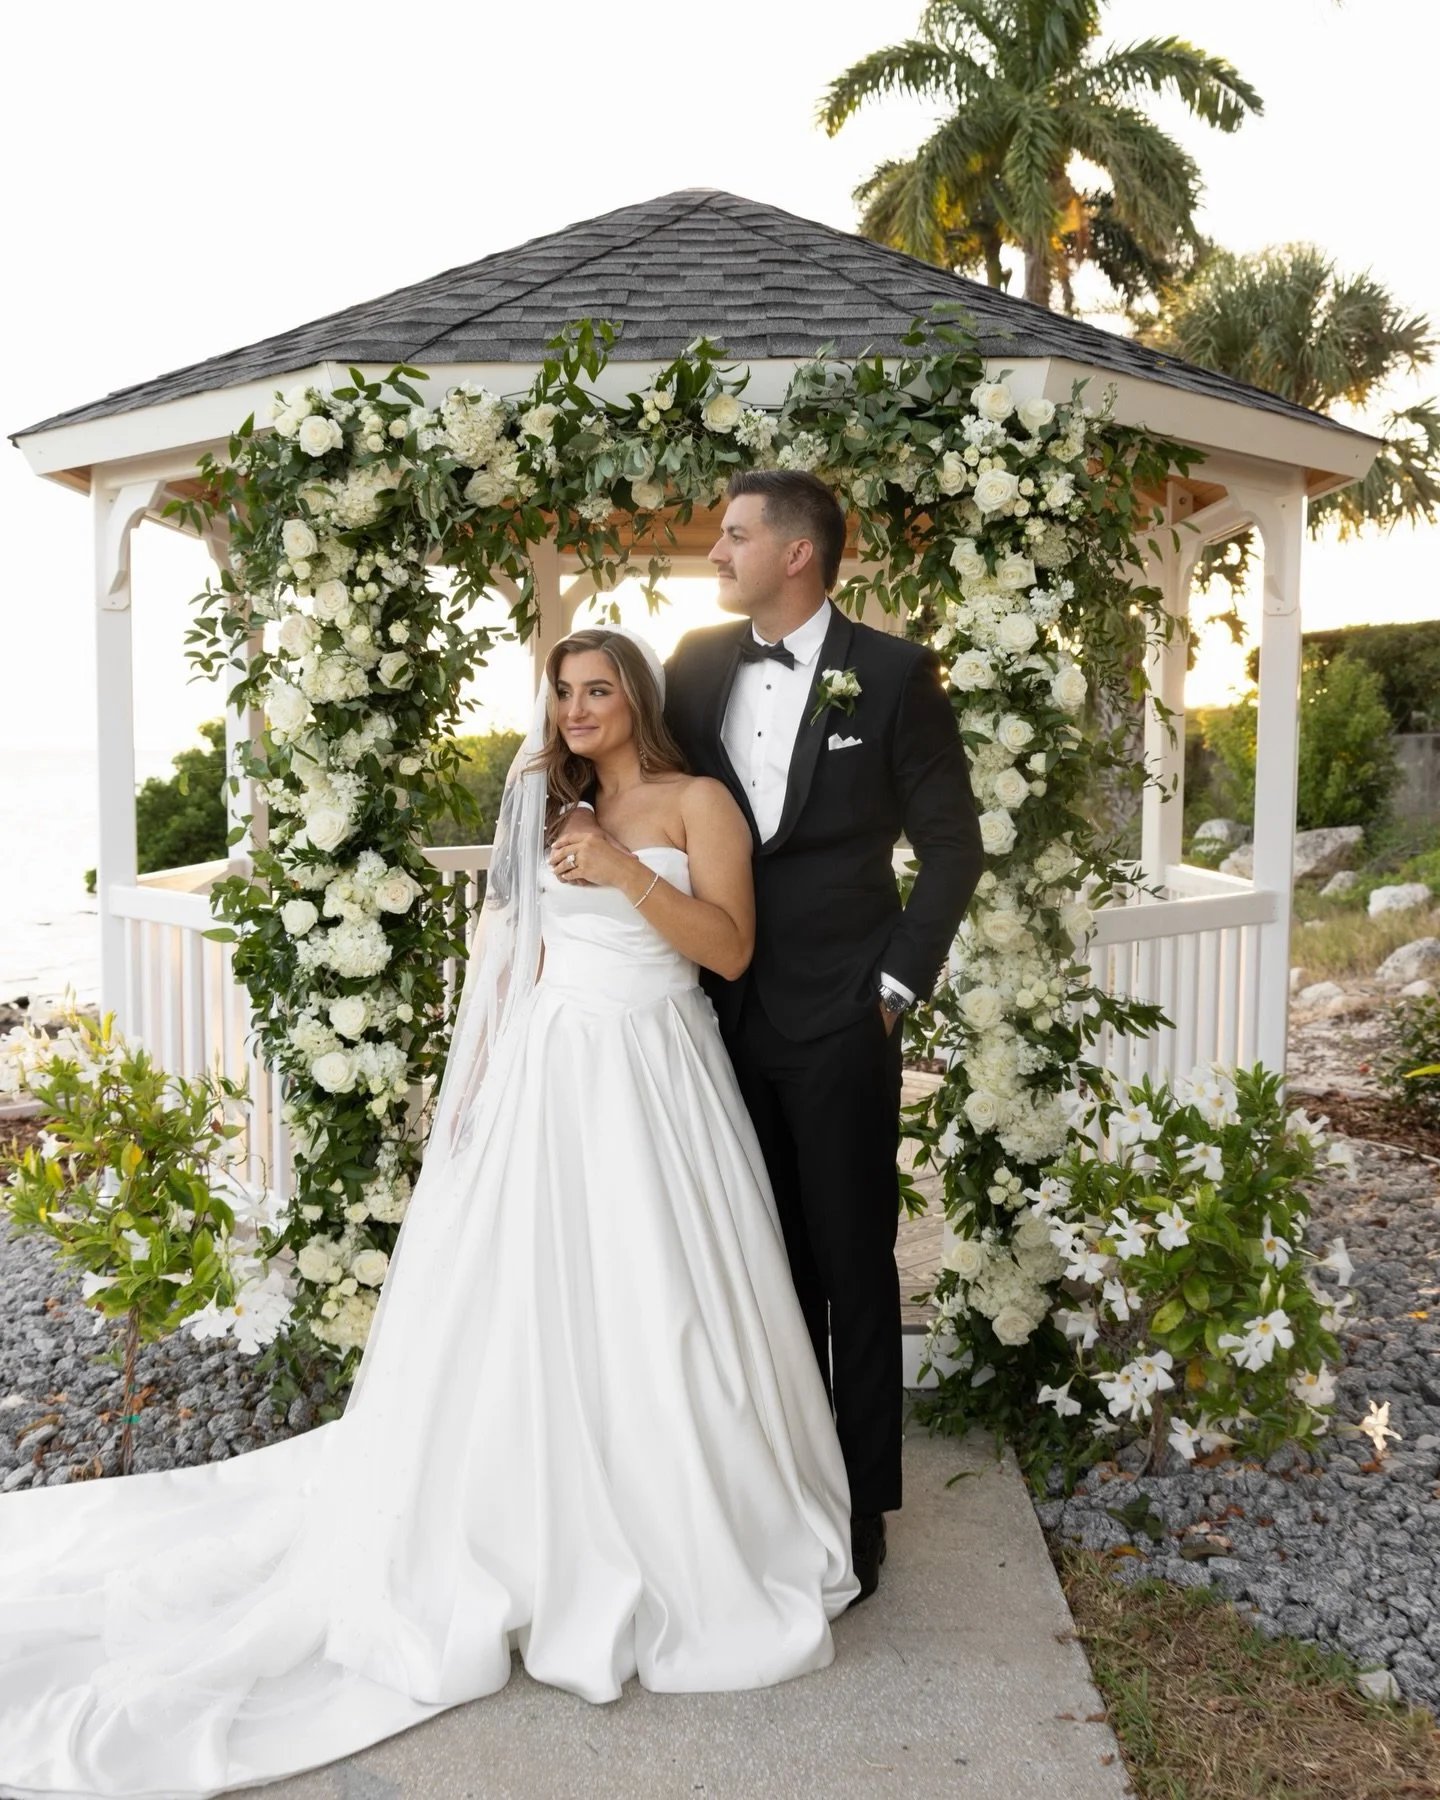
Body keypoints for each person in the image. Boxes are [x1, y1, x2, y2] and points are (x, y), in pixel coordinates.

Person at [0, 628, 856, 1800]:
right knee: (527, 1310)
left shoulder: (695, 800)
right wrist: (475, 1096)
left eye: (597, 689)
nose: (576, 708)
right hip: (548, 1081)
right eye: (561, 690)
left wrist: (622, 871)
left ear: (636, 698)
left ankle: (680, 1522)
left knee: (666, 1306)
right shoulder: (533, 799)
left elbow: (732, 948)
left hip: (658, 1074)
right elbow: (503, 962)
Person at [554, 471, 982, 1601]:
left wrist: (894, 986)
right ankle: (774, 1484)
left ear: (796, 553)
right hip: (711, 1014)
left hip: (844, 1012)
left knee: (853, 1261)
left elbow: (952, 848)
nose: (718, 553)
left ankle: (864, 1501)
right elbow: (650, 778)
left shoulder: (893, 676)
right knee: (756, 1261)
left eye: (736, 536)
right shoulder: (696, 662)